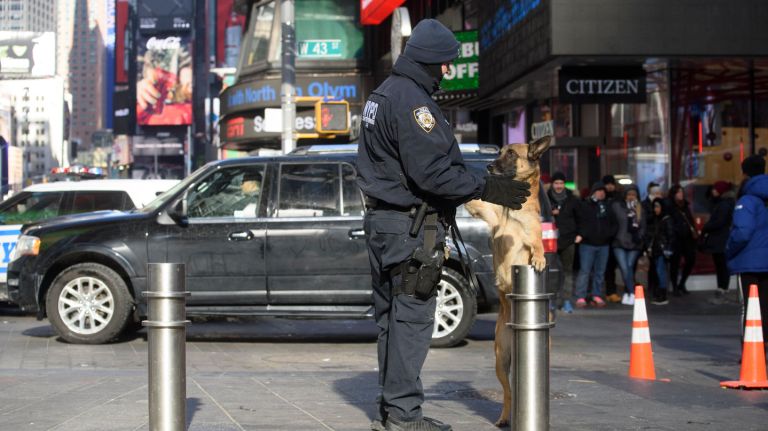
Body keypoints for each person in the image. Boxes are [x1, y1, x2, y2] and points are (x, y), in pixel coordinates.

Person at [355, 18, 531, 431]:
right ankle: (403, 417)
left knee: (391, 322)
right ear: (430, 60)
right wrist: (489, 187)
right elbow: (432, 174)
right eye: (445, 63)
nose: (448, 71)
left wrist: (482, 180)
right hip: (410, 229)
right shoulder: (413, 104)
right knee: (412, 323)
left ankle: (394, 410)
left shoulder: (383, 94)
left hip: (385, 224)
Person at [726, 154, 768, 341]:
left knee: (749, 307)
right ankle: (764, 345)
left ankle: (751, 351)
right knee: (765, 306)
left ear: (745, 173)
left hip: (749, 261)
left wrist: (730, 250)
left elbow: (742, 232)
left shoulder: (747, 200)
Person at [574, 182, 618, 308]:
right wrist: (583, 234)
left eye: (603, 191)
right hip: (587, 244)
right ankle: (581, 296)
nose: (601, 193)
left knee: (600, 272)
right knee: (585, 271)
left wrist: (609, 234)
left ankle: (596, 295)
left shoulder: (607, 206)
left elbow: (614, 223)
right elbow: (580, 222)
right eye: (599, 190)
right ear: (593, 192)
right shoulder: (585, 205)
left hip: (604, 244)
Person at [548, 172, 579, 313]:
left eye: (561, 183)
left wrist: (580, 234)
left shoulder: (573, 198)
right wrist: (550, 212)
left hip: (568, 239)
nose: (559, 186)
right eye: (556, 183)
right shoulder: (545, 197)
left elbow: (582, 217)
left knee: (567, 271)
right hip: (549, 239)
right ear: (552, 184)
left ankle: (566, 301)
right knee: (551, 271)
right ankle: (550, 301)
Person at [700, 181, 736, 303]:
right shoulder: (723, 203)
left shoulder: (723, 205)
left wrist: (706, 227)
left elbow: (719, 221)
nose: (713, 191)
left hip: (720, 239)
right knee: (721, 265)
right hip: (721, 239)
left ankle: (722, 289)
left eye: (715, 189)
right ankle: (722, 289)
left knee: (721, 265)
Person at [611, 185, 646, 305]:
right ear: (625, 195)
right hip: (619, 242)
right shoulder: (617, 206)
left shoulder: (640, 208)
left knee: (630, 266)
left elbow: (643, 226)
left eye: (634, 195)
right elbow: (612, 222)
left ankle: (628, 292)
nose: (631, 197)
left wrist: (640, 237)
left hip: (634, 243)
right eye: (629, 194)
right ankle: (631, 292)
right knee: (624, 267)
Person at [667, 184, 697, 296]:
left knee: (690, 260)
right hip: (675, 239)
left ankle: (682, 283)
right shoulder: (670, 206)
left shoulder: (685, 205)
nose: (681, 194)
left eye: (681, 192)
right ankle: (675, 286)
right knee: (675, 263)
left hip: (687, 238)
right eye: (678, 192)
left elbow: (690, 220)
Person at [645, 198, 676, 304]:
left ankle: (662, 296)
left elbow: (671, 236)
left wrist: (667, 249)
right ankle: (659, 294)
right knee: (658, 272)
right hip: (658, 250)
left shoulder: (666, 220)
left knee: (661, 272)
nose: (655, 209)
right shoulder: (657, 219)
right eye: (654, 206)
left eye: (657, 206)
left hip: (662, 251)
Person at [602, 175, 621, 302]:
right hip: (601, 238)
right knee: (601, 267)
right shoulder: (601, 198)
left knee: (611, 266)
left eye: (611, 184)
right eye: (607, 184)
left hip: (614, 238)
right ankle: (606, 291)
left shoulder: (618, 198)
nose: (609, 186)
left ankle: (611, 291)